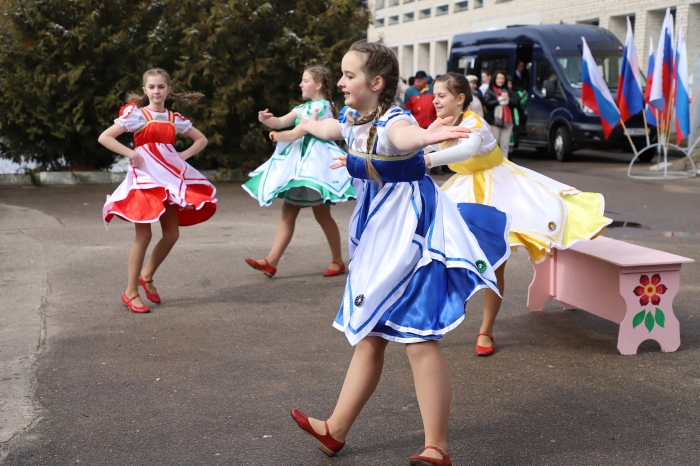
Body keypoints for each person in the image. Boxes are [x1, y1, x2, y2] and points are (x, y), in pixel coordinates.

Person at [291, 41, 511, 466]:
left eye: (349, 75)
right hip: (378, 238)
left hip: (412, 236)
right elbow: (330, 130)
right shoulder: (355, 118)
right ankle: (335, 429)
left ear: (376, 83)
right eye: (340, 74)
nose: (340, 82)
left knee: (418, 338)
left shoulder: (395, 120)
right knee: (371, 335)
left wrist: (427, 135)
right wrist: (298, 126)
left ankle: (436, 447)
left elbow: (404, 137)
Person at [426, 72, 611, 356]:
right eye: (434, 95)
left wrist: (425, 159)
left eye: (441, 95)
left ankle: (486, 330)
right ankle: (432, 323)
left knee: (495, 261)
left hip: (500, 191)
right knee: (440, 253)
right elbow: (416, 143)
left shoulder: (477, 124)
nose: (435, 100)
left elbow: (465, 152)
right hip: (463, 191)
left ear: (459, 98)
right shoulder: (438, 125)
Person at [100, 68, 217, 313]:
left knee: (172, 234)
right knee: (144, 237)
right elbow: (105, 137)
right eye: (152, 87)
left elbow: (202, 140)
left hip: (168, 180)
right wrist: (131, 153)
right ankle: (130, 292)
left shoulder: (175, 118)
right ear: (145, 91)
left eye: (161, 87)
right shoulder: (138, 116)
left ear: (168, 90)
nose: (156, 91)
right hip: (144, 180)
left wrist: (182, 156)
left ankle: (147, 275)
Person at [243, 66, 354, 278]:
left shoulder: (320, 108)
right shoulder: (304, 107)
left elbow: (294, 134)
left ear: (318, 85)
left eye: (305, 80)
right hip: (300, 166)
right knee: (293, 212)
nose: (300, 84)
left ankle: (337, 261)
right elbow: (281, 122)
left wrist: (276, 136)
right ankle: (272, 261)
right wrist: (265, 119)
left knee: (321, 215)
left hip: (314, 167)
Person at [482, 70, 520, 156]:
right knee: (494, 146)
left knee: (505, 145)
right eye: (499, 78)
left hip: (507, 122)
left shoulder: (508, 90)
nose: (501, 80)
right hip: (494, 122)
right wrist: (499, 100)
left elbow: (516, 102)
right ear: (495, 79)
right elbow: (487, 103)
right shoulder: (490, 89)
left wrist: (508, 100)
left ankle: (504, 166)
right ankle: (493, 166)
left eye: (502, 78)